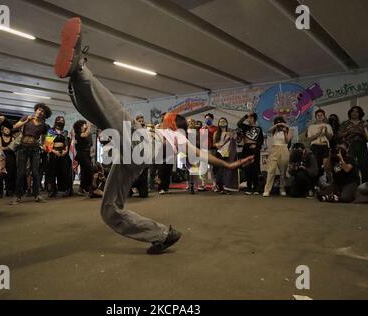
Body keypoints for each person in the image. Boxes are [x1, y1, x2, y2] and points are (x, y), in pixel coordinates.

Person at [54, 17, 254, 254]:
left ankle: (80, 69)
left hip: (143, 148)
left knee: (112, 111)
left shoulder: (177, 136)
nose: (162, 119)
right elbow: (202, 155)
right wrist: (229, 164)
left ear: (171, 123)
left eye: (166, 118)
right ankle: (162, 234)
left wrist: (229, 164)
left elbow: (202, 154)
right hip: (132, 161)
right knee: (109, 210)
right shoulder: (167, 135)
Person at [11, 103, 51, 205]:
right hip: (23, 147)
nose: (40, 112)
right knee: (21, 172)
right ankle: (17, 196)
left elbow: (45, 139)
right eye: (39, 110)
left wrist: (43, 146)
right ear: (36, 110)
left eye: (42, 111)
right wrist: (25, 121)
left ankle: (37, 195)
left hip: (35, 149)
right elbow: (14, 127)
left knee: (36, 172)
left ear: (44, 115)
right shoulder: (27, 118)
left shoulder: (44, 126)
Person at [263, 116, 293, 197]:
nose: (279, 125)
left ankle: (282, 188)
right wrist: (277, 125)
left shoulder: (288, 130)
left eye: (281, 123)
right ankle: (267, 190)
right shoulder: (274, 130)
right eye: (277, 122)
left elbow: (287, 141)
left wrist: (285, 131)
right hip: (274, 148)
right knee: (271, 170)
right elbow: (268, 131)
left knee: (283, 171)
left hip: (283, 148)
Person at [339, 106, 368, 182]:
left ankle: (364, 183)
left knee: (364, 165)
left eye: (356, 111)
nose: (354, 113)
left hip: (362, 145)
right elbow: (339, 135)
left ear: (360, 113)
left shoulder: (364, 123)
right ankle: (352, 183)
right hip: (349, 145)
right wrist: (348, 132)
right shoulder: (345, 123)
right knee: (351, 165)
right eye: (352, 111)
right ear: (350, 113)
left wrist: (365, 128)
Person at [237, 112, 264, 194]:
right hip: (246, 148)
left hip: (255, 149)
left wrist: (256, 145)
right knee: (247, 168)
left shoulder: (259, 128)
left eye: (250, 118)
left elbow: (261, 140)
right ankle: (248, 187)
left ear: (254, 119)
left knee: (255, 168)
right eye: (248, 118)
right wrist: (245, 116)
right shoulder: (245, 127)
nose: (249, 119)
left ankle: (255, 187)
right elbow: (239, 123)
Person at [45, 116, 72, 198]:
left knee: (63, 172)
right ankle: (52, 190)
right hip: (53, 153)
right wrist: (54, 151)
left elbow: (66, 143)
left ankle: (63, 189)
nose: (61, 122)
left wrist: (65, 151)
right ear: (56, 121)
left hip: (63, 153)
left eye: (62, 121)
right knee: (52, 172)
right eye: (59, 120)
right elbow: (47, 145)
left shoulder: (65, 132)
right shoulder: (51, 131)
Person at [306, 109, 333, 177]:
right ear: (315, 117)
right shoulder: (311, 127)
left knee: (326, 166)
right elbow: (309, 139)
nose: (320, 116)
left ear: (324, 116)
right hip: (315, 147)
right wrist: (318, 133)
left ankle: (326, 182)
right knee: (316, 165)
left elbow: (330, 138)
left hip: (325, 146)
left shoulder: (328, 126)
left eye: (321, 115)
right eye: (318, 115)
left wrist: (326, 131)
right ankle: (317, 182)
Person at [214, 117, 237, 194]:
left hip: (228, 154)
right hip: (219, 154)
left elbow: (234, 140)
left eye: (224, 121)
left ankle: (227, 188)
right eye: (221, 121)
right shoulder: (216, 133)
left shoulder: (230, 132)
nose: (222, 122)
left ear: (227, 123)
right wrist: (217, 145)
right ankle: (220, 187)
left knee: (227, 171)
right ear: (218, 123)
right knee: (219, 171)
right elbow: (215, 143)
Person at [73, 120, 94, 195]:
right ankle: (88, 187)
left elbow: (91, 144)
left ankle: (82, 189)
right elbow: (84, 135)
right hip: (81, 154)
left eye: (85, 124)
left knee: (85, 172)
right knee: (90, 170)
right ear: (80, 127)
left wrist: (91, 154)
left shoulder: (89, 134)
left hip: (87, 154)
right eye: (83, 124)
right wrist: (89, 125)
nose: (85, 125)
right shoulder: (78, 134)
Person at [0, 121, 16, 197]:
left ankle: (9, 190)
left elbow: (12, 148)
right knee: (1, 174)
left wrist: (5, 148)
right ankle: (0, 191)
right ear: (2, 130)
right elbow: (0, 148)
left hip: (11, 157)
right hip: (2, 157)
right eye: (5, 129)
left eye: (8, 129)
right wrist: (7, 148)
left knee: (10, 174)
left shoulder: (13, 138)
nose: (7, 130)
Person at [200, 113, 218, 191]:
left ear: (212, 119)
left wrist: (209, 131)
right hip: (203, 149)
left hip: (212, 150)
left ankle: (215, 184)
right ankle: (203, 184)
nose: (208, 120)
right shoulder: (202, 129)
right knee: (203, 167)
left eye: (209, 119)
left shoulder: (215, 128)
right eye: (206, 118)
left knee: (212, 168)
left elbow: (216, 138)